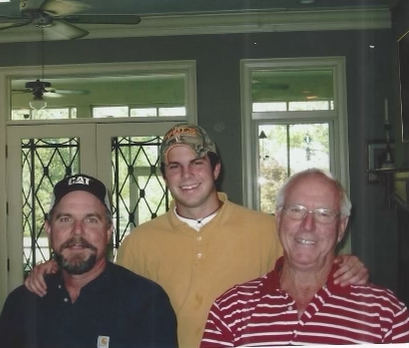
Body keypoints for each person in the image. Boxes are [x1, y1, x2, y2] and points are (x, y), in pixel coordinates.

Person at [24, 124, 369, 348]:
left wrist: (344, 263)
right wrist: (52, 271)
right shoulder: (141, 241)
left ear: (216, 170)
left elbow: (311, 263)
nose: (186, 174)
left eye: (197, 163)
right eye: (174, 166)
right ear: (165, 176)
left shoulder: (267, 229)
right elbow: (99, 286)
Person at [200, 169, 409, 347]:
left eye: (323, 214)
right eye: (296, 210)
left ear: (341, 228)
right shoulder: (231, 310)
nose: (308, 225)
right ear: (279, 219)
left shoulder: (386, 314)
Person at [0, 174, 177, 348]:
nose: (77, 231)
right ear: (49, 229)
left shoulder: (146, 302)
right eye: (65, 219)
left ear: (108, 231)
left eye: (91, 220)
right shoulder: (23, 303)